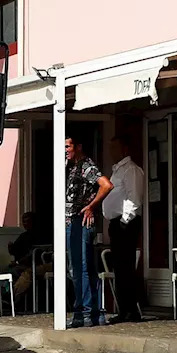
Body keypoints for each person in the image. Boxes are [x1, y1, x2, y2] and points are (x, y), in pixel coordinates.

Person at [65, 135, 114, 328]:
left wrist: (91, 207)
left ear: (77, 146)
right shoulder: (73, 166)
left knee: (80, 268)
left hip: (79, 222)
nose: (65, 151)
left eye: (68, 146)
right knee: (83, 267)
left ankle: (84, 312)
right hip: (73, 221)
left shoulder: (86, 166)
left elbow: (106, 185)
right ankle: (93, 312)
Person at [104, 135, 146, 323]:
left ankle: (130, 310)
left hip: (126, 223)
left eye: (115, 147)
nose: (112, 151)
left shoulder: (131, 170)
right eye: (110, 147)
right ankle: (124, 309)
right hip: (116, 223)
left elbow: (134, 198)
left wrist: (124, 220)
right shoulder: (116, 171)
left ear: (125, 149)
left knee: (126, 266)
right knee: (120, 268)